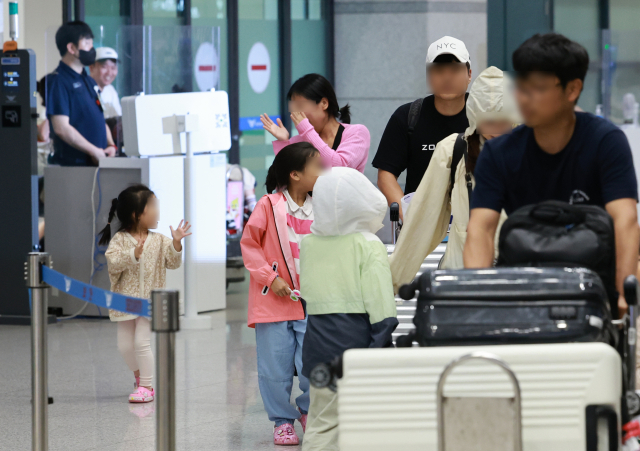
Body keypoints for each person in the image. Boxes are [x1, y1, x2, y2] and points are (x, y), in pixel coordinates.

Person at [464, 33, 640, 318]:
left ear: (572, 90)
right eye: (519, 87)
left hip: (595, 288)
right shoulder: (498, 152)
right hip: (523, 287)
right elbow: (481, 230)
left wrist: (622, 295)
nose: (522, 98)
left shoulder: (606, 142)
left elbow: (626, 220)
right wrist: (481, 298)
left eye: (536, 88)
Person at [389, 67, 518, 290]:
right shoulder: (452, 150)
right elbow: (423, 219)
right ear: (475, 117)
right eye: (488, 123)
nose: (496, 131)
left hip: (518, 277)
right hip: (462, 279)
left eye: (503, 122)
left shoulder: (533, 152)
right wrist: (392, 282)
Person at [299, 167, 398, 451]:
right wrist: (381, 344)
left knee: (321, 421)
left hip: (317, 346)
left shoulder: (310, 243)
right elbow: (381, 306)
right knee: (364, 423)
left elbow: (308, 295)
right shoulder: (368, 244)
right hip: (356, 343)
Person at [240, 142, 323, 445]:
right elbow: (249, 246)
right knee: (274, 368)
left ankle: (309, 412)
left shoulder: (323, 205)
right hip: (272, 300)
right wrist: (270, 277)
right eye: (317, 166)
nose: (323, 172)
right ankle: (281, 421)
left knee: (312, 364)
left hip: (311, 301)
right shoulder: (268, 205)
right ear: (296, 174)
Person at [98, 185, 191, 403]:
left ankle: (147, 386)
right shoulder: (120, 240)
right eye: (153, 206)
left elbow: (173, 262)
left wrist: (176, 243)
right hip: (124, 302)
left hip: (150, 302)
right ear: (137, 214)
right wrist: (133, 254)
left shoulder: (159, 240)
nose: (158, 211)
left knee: (141, 343)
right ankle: (139, 378)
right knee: (125, 346)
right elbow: (113, 263)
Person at [373, 36, 472, 219]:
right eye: (439, 70)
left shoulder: (485, 117)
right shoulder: (408, 116)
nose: (447, 77)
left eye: (455, 69)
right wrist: (410, 218)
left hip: (475, 225)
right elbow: (386, 175)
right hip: (422, 223)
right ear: (428, 75)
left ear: (469, 74)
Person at [260, 73, 370, 173]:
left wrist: (306, 130)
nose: (296, 115)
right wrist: (283, 143)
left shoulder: (357, 133)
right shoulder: (299, 141)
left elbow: (340, 168)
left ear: (324, 103)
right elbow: (285, 182)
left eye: (301, 107)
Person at [47, 21, 116, 166]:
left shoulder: (89, 81)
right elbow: (61, 128)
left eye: (92, 43)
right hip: (73, 166)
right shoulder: (58, 81)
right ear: (72, 48)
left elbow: (100, 119)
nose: (92, 48)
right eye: (87, 43)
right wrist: (93, 150)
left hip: (97, 163)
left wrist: (111, 145)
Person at [89, 47, 122, 119]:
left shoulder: (110, 90)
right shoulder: (83, 89)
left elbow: (118, 119)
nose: (109, 73)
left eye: (113, 68)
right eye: (104, 67)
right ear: (91, 67)